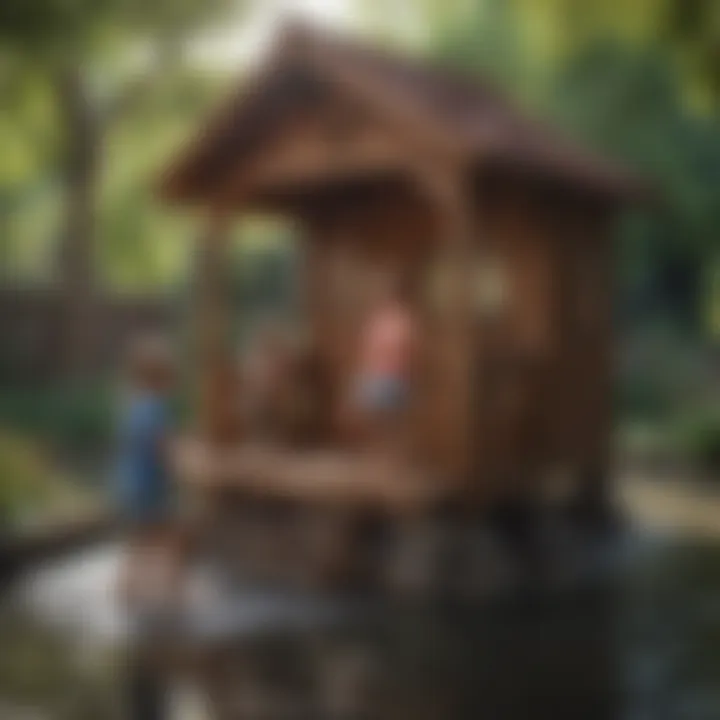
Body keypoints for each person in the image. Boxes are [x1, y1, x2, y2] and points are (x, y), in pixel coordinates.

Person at [112, 334, 185, 612]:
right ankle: (174, 592)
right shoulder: (156, 408)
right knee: (174, 536)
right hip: (150, 488)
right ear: (163, 379)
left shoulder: (131, 405)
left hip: (129, 485)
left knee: (138, 540)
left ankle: (127, 588)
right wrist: (180, 460)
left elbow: (131, 445)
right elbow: (162, 447)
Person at [351, 277, 417, 452]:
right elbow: (368, 348)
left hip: (393, 376)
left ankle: (388, 454)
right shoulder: (381, 320)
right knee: (376, 420)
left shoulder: (403, 320)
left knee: (391, 422)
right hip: (378, 375)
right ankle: (378, 453)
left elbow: (407, 350)